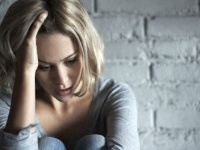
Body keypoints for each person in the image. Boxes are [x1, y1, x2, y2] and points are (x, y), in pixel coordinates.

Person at [0, 0, 140, 149]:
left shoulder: (113, 95)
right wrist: (26, 69)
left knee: (93, 144)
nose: (62, 79)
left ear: (87, 50)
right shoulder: (7, 105)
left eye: (71, 61)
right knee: (48, 145)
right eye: (44, 67)